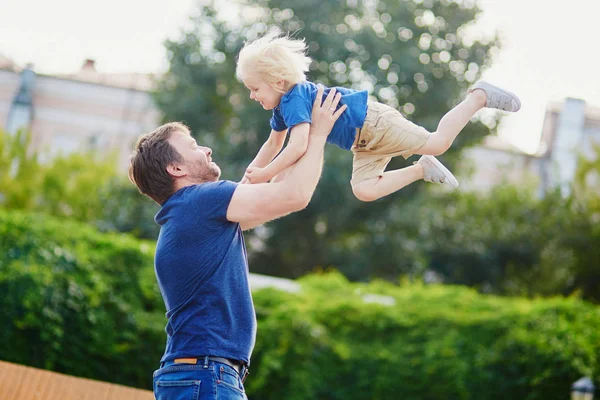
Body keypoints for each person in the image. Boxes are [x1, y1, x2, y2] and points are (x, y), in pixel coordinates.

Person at [128, 86, 346, 399]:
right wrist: (318, 133)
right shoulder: (200, 202)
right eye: (193, 146)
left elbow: (260, 189)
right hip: (205, 375)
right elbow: (295, 195)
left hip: (197, 374)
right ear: (176, 168)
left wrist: (280, 132)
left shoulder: (190, 215)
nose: (206, 149)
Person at [236, 32, 521, 201]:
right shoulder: (281, 109)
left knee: (438, 142)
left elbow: (297, 147)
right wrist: (247, 183)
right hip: (362, 143)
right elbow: (273, 146)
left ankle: (478, 96)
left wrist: (267, 174)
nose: (252, 95)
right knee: (364, 191)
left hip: (374, 123)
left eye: (254, 88)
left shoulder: (295, 97)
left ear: (276, 81)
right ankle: (422, 169)